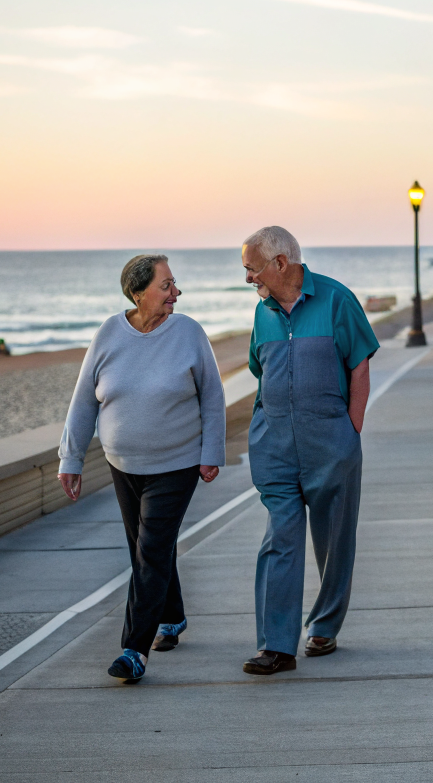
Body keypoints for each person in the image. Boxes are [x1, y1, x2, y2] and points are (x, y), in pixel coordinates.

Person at [57, 254, 225, 684]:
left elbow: (212, 395)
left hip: (177, 462)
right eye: (166, 285)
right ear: (138, 293)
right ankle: (172, 615)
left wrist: (212, 452)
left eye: (174, 284)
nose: (176, 293)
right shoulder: (109, 333)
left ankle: (134, 649)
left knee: (150, 549)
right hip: (123, 463)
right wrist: (71, 457)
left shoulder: (188, 333)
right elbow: (84, 399)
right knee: (146, 548)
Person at [239, 226, 378, 675]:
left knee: (334, 540)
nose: (248, 278)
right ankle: (275, 646)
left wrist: (349, 433)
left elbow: (359, 366)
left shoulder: (337, 300)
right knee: (280, 538)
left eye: (252, 269)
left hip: (330, 445)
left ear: (280, 263)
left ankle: (324, 623)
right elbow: (261, 370)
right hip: (274, 446)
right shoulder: (262, 313)